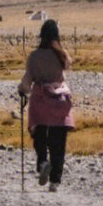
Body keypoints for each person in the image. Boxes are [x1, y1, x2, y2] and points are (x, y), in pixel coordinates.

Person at [18, 19, 75, 191]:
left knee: (40, 135)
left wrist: (22, 90)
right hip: (59, 100)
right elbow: (63, 75)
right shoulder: (63, 55)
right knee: (59, 141)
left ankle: (43, 162)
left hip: (40, 99)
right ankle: (55, 181)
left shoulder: (34, 56)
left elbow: (28, 78)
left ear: (41, 35)